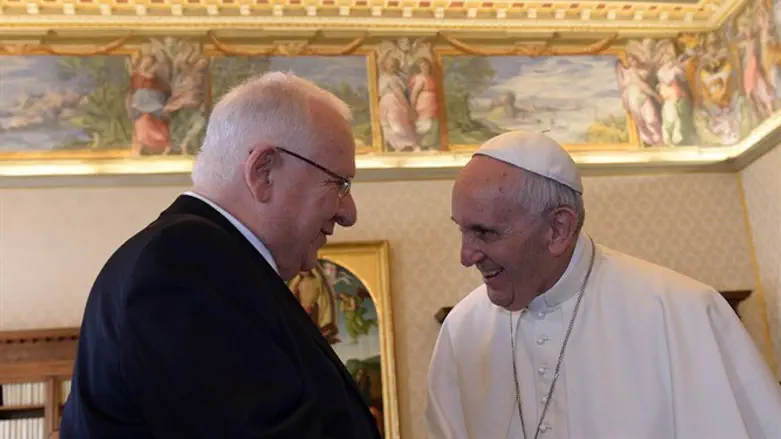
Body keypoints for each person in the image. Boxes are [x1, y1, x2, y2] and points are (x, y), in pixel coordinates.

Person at [60, 72, 382, 439]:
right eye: (338, 183)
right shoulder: (185, 265)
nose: (349, 212)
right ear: (264, 172)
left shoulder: (207, 260)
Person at [425, 130, 781, 439]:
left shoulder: (680, 312)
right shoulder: (463, 329)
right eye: (462, 228)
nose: (466, 255)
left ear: (558, 229)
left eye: (485, 233)